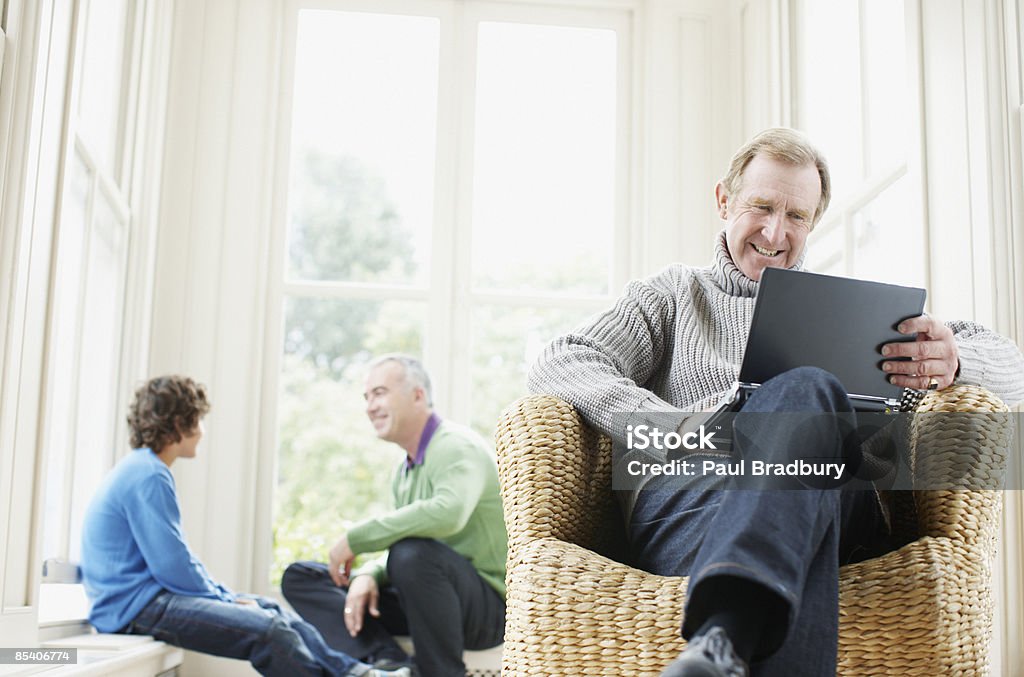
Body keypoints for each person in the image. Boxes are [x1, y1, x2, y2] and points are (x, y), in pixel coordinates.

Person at [527, 128, 1024, 676]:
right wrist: (676, 428)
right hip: (696, 507)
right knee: (804, 513)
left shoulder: (847, 314)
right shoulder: (670, 296)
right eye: (760, 207)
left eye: (797, 217)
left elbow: (1016, 372)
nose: (775, 231)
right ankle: (733, 629)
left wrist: (955, 362)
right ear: (724, 200)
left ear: (813, 223)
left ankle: (723, 638)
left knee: (807, 391)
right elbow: (561, 358)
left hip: (830, 499)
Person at [80, 375, 409, 677]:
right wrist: (223, 599)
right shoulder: (148, 474)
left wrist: (224, 596)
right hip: (136, 610)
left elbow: (174, 563)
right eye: (200, 420)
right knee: (267, 630)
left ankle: (357, 673)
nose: (203, 431)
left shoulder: (143, 469)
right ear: (181, 423)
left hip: (145, 602)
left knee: (270, 609)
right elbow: (172, 566)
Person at [282, 354, 507, 677]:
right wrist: (367, 575)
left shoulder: (457, 446)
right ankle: (389, 664)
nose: (370, 406)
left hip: (487, 611)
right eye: (367, 397)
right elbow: (404, 545)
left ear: (418, 396)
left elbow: (448, 514)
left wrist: (356, 538)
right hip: (428, 597)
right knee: (301, 576)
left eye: (380, 392)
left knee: (411, 553)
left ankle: (439, 672)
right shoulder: (403, 472)